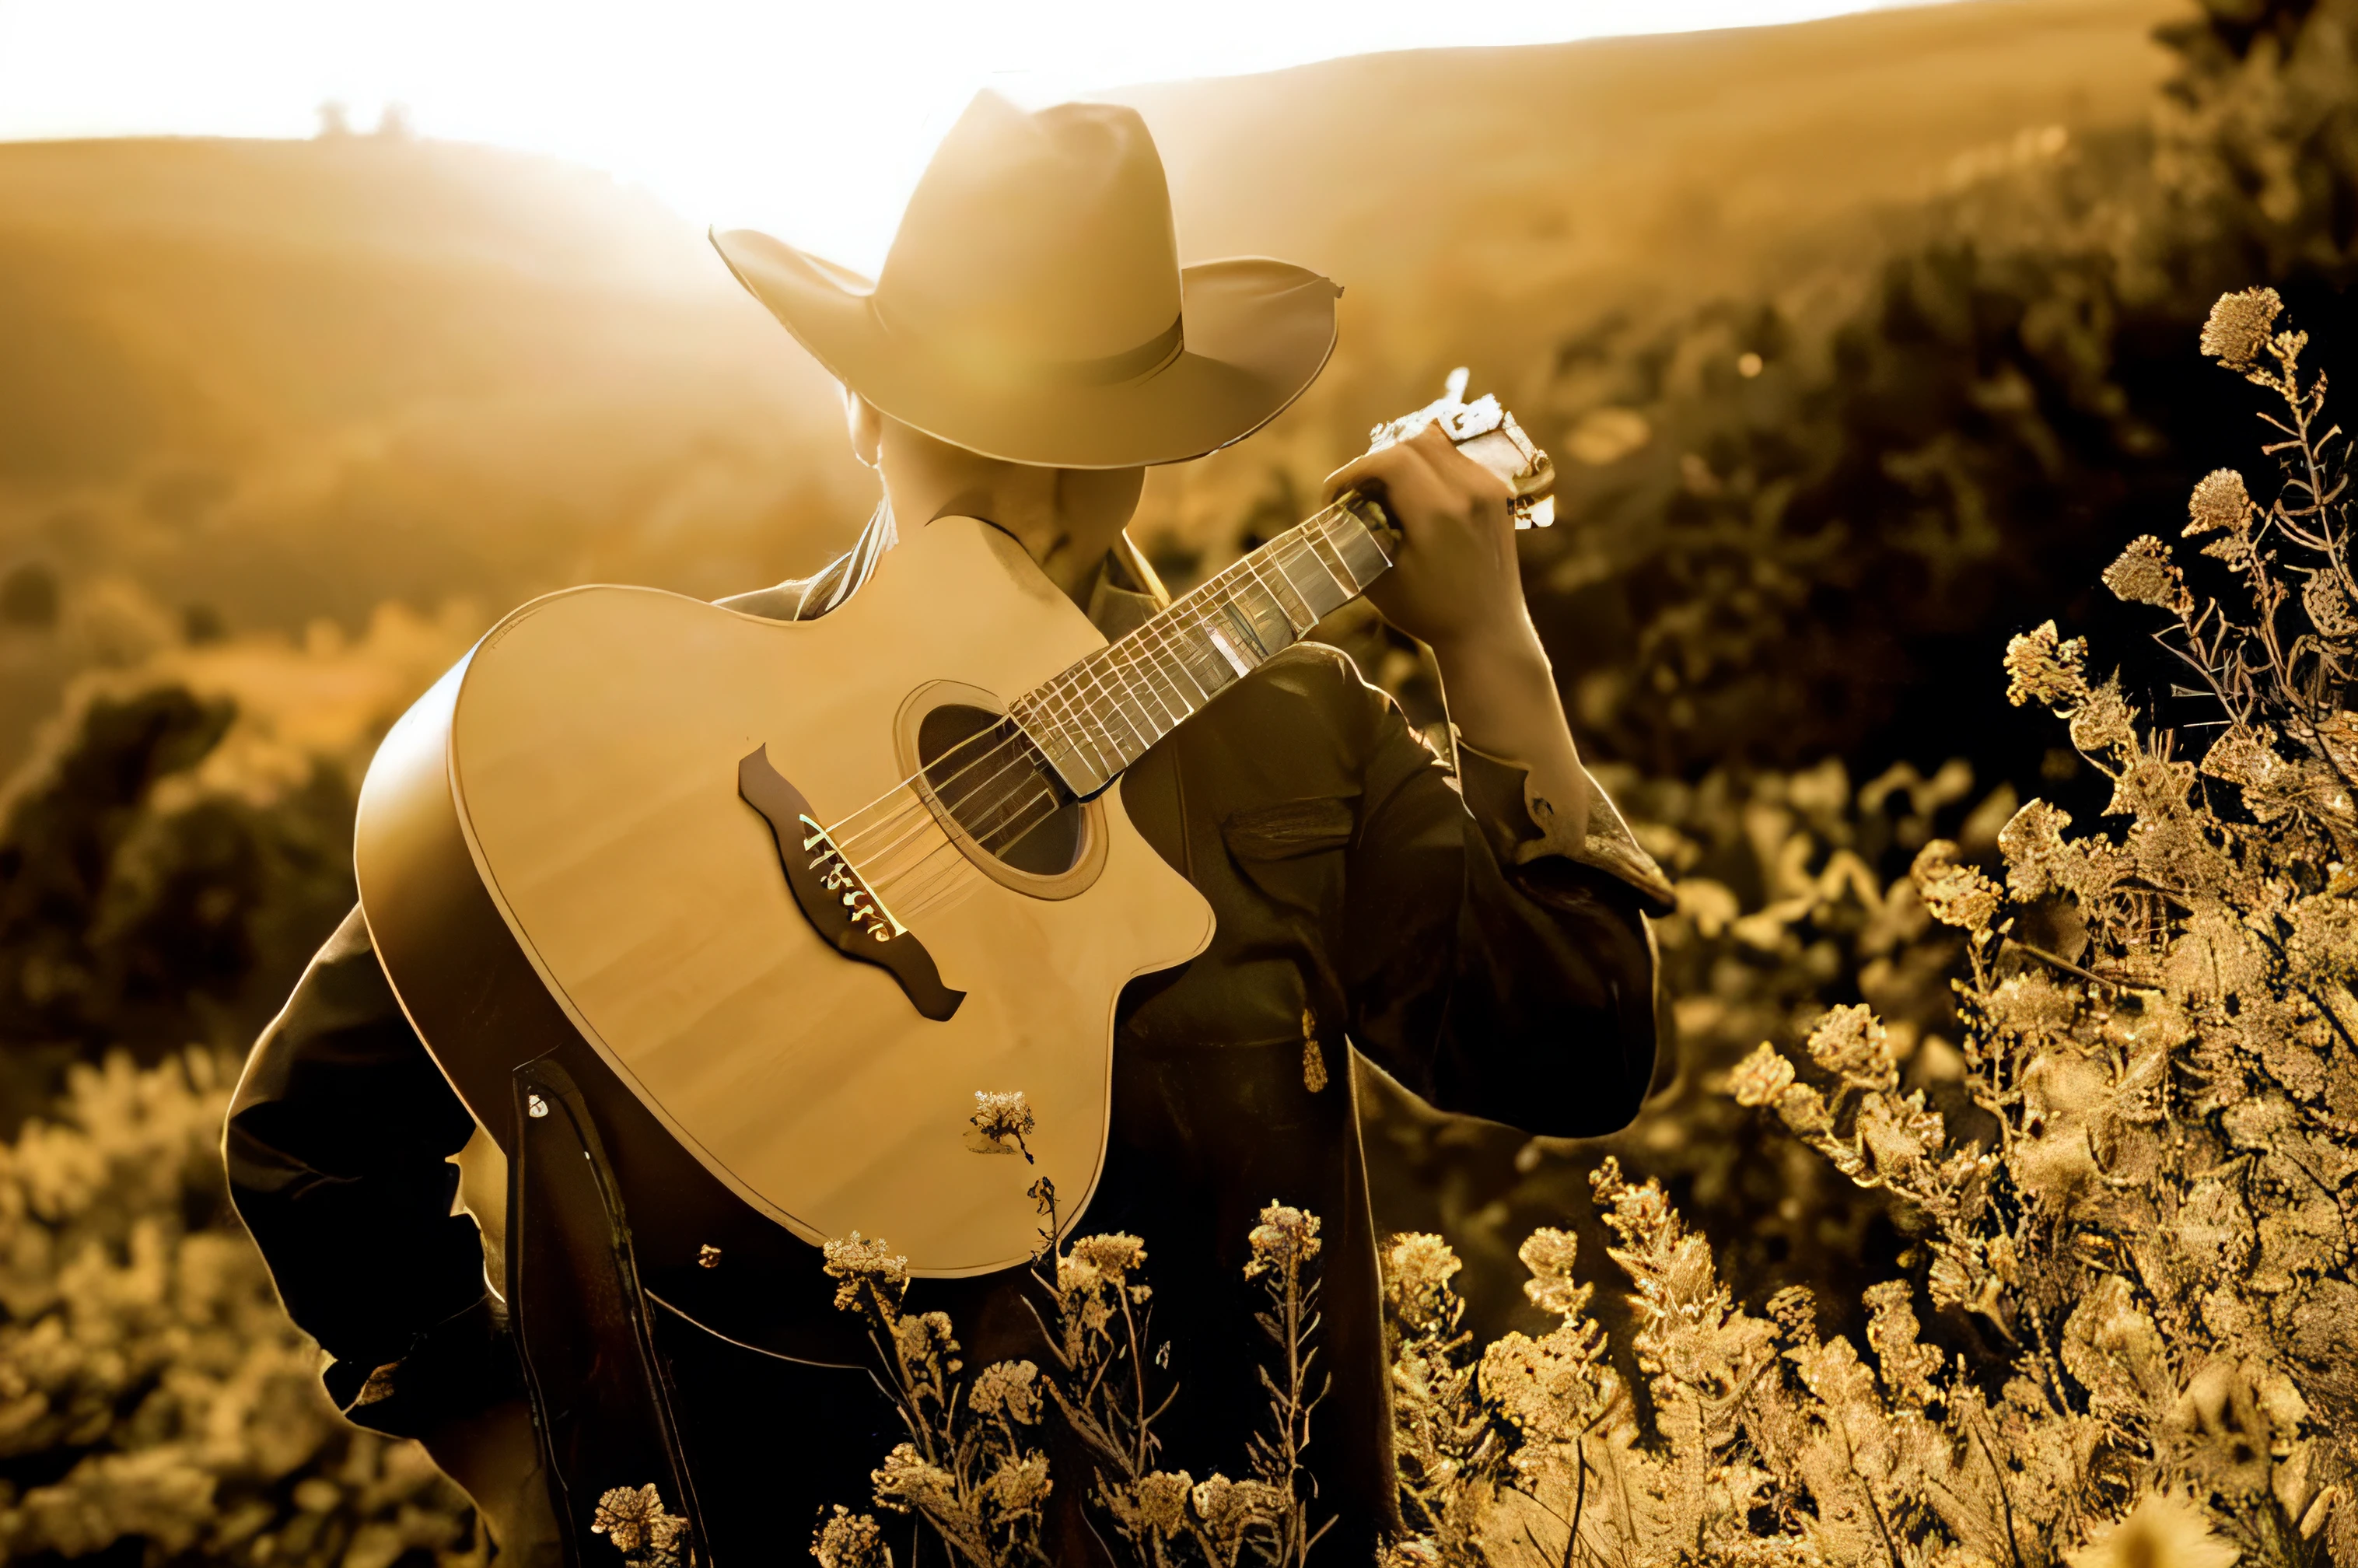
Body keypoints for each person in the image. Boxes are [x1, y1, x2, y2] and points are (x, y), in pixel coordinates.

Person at [226, 92, 1672, 1565]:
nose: (1036, 502)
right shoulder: (654, 729)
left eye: (1091, 443)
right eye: (976, 430)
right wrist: (509, 1456)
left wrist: (1495, 657)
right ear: (860, 407)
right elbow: (312, 1137)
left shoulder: (1292, 739)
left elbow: (1582, 1049)